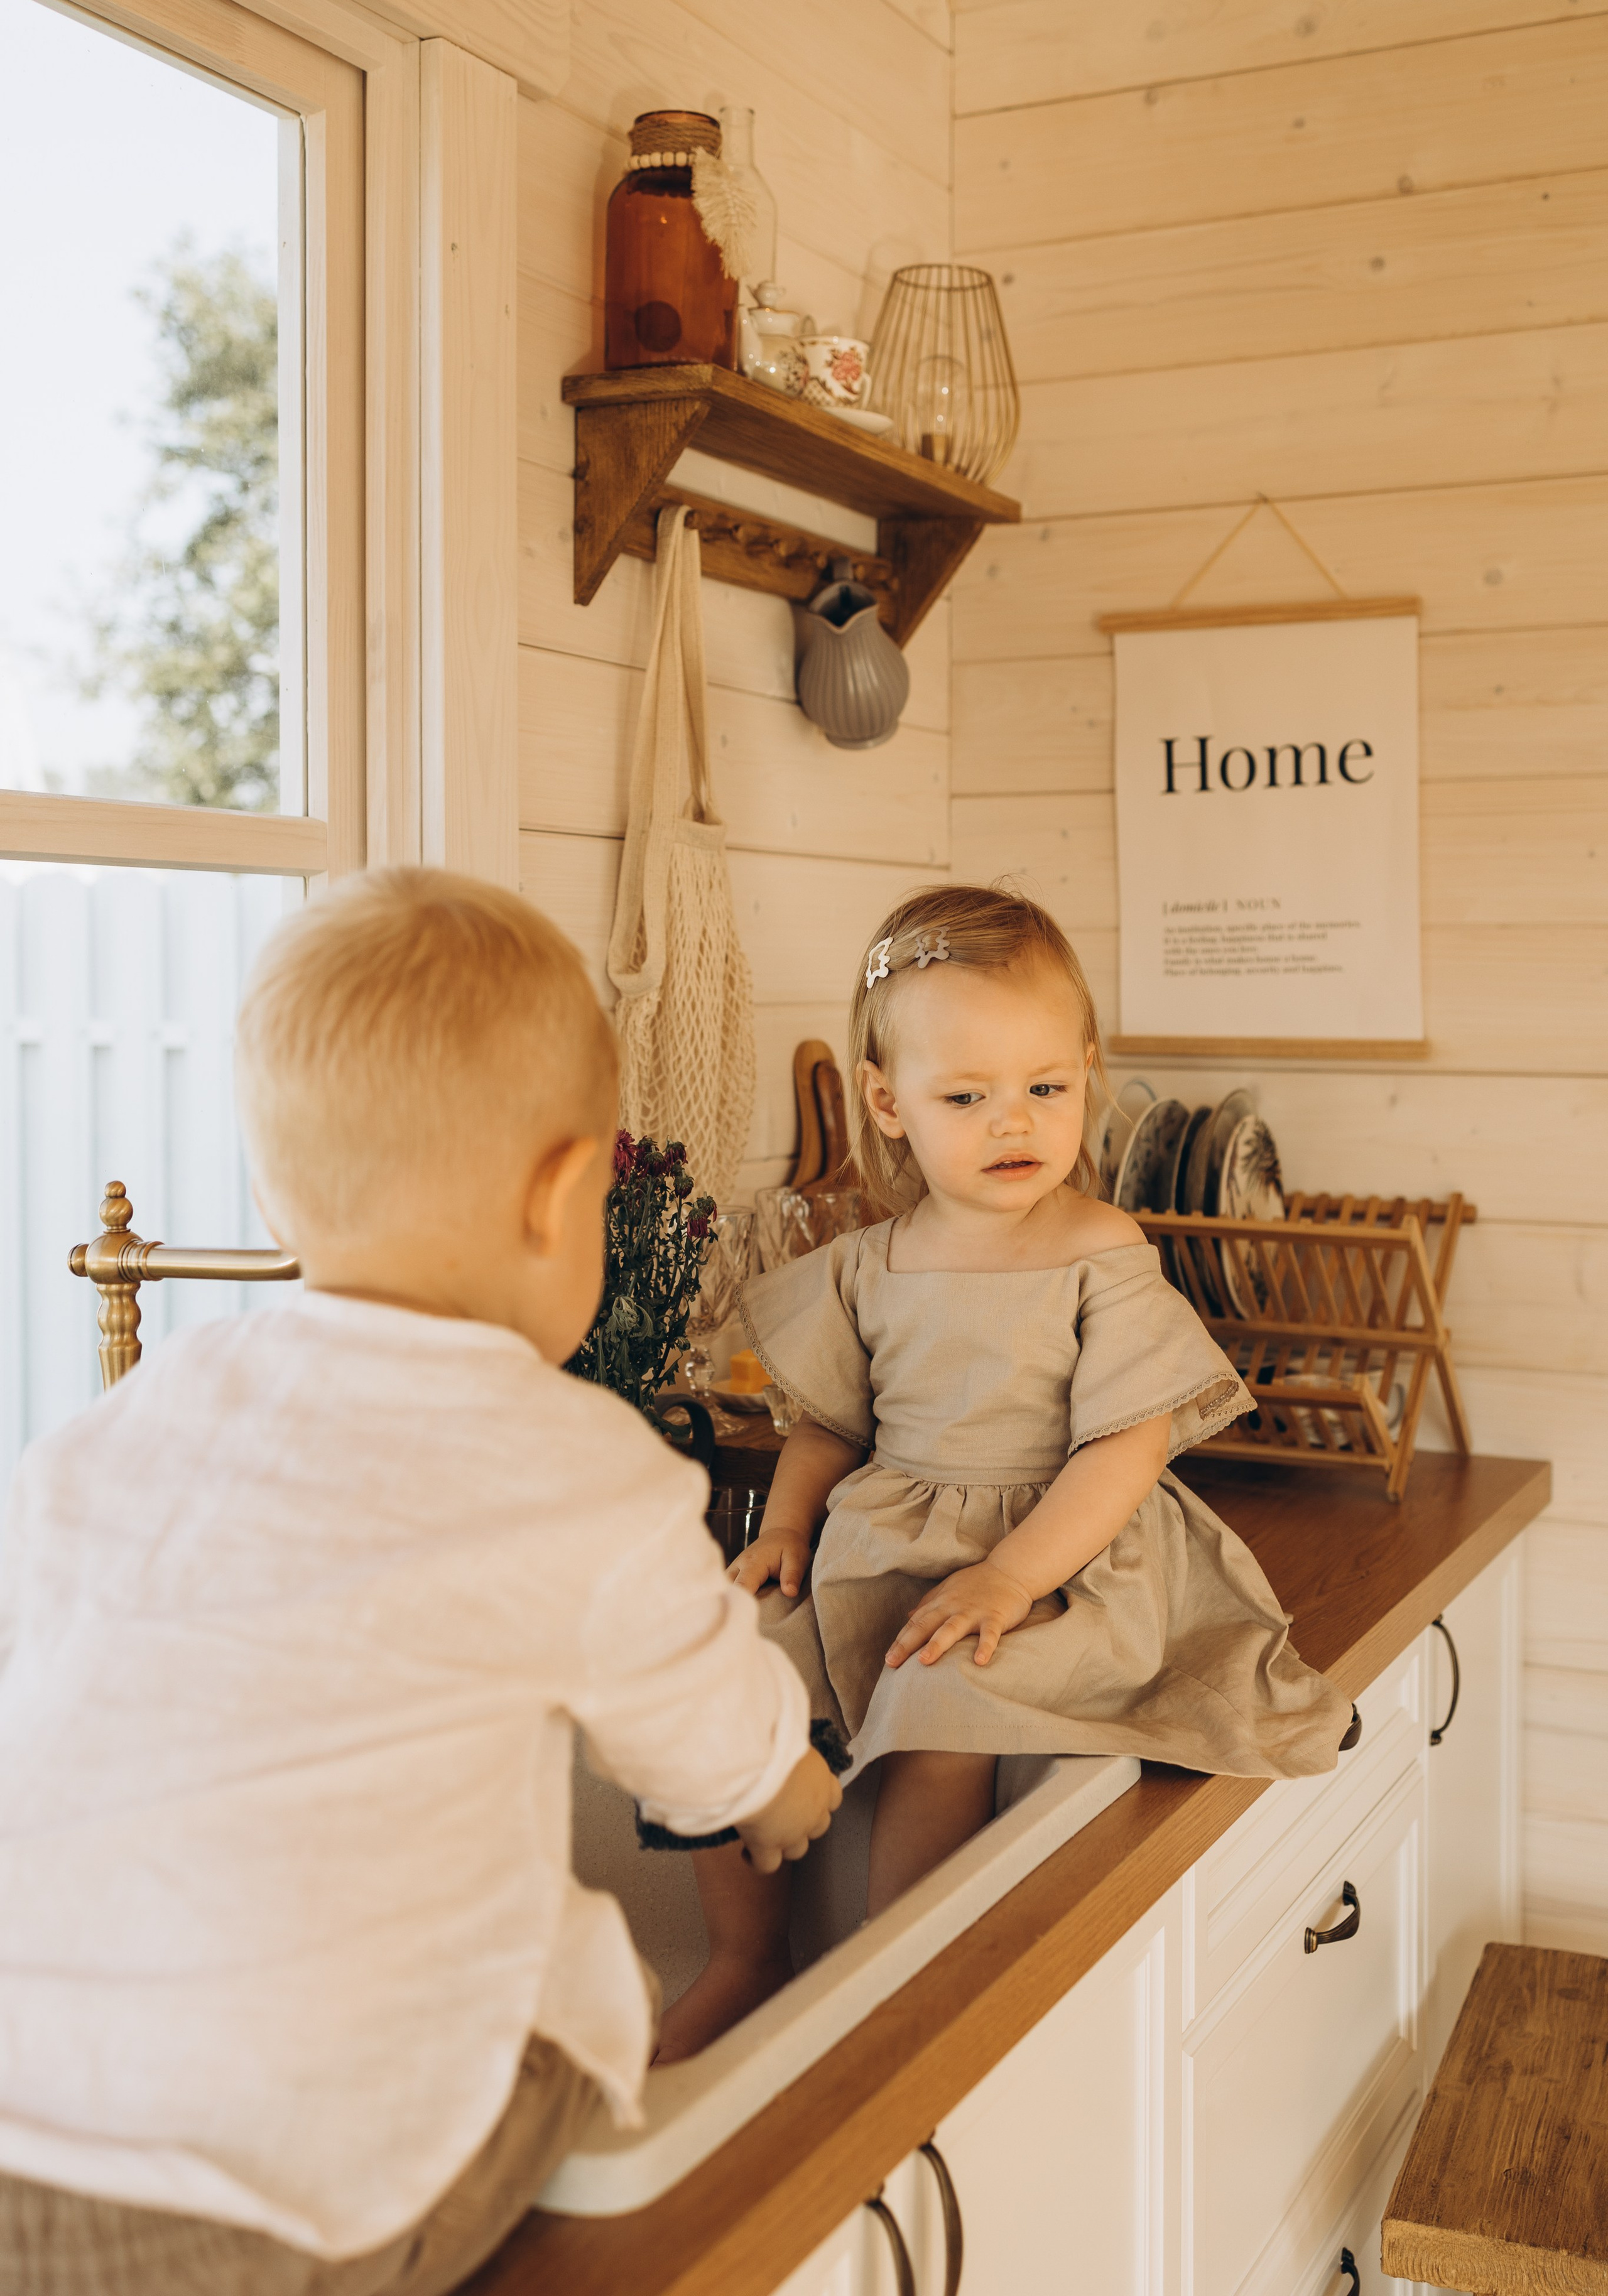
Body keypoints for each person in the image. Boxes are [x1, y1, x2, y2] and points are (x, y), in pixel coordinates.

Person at [0, 869, 839, 2296]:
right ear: (564, 1193)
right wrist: (789, 1793)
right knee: (591, 1997)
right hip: (301, 2193)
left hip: (29, 2152)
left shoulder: (115, 1431)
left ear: (276, 1186)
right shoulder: (573, 1464)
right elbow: (715, 1743)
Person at [655, 884, 1351, 2064]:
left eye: (1045, 1089)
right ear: (889, 1105)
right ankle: (743, 1958)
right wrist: (783, 1528)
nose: (1013, 1122)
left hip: (1063, 1547)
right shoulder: (870, 1261)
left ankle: (899, 1976)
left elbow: (1124, 1443)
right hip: (894, 1532)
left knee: (942, 1704)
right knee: (726, 1680)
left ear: (1086, 1071)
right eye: (966, 1097)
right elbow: (830, 1422)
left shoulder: (1098, 1250)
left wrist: (1010, 1578)